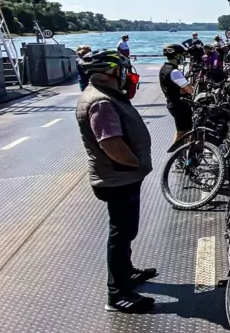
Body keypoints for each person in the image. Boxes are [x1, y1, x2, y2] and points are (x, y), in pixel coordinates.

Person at [75, 50, 157, 313]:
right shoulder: (101, 102)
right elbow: (110, 143)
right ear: (109, 72)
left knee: (125, 231)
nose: (125, 74)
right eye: (121, 69)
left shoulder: (106, 96)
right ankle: (117, 293)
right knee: (120, 235)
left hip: (121, 175)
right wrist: (135, 162)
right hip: (118, 177)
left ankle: (128, 273)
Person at [159, 44, 194, 143]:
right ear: (177, 56)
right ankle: (177, 154)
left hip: (172, 102)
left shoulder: (164, 68)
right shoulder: (174, 72)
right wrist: (185, 88)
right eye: (181, 55)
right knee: (182, 132)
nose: (182, 58)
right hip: (180, 105)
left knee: (183, 130)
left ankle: (181, 154)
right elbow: (190, 90)